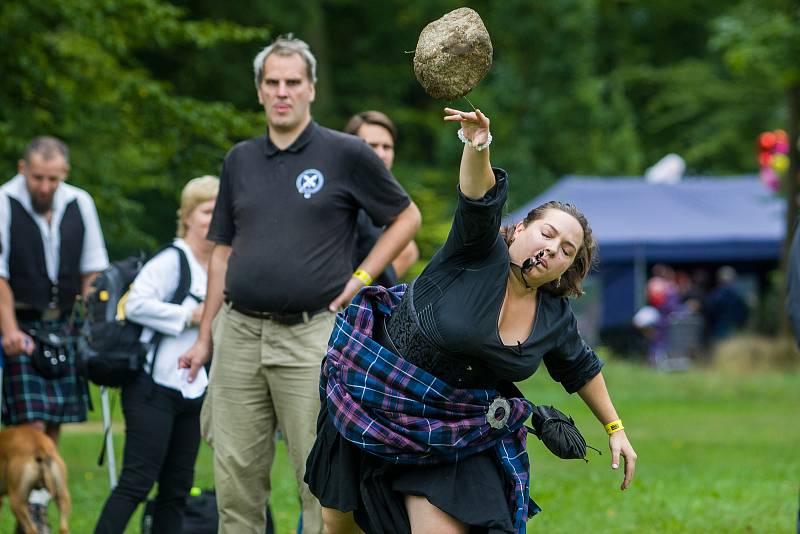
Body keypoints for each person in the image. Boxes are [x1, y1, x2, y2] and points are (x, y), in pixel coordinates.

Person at [305, 108, 637, 533]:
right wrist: (478, 146)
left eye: (567, 250)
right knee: (339, 522)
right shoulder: (477, 249)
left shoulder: (554, 316)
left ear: (568, 269)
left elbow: (580, 367)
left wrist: (614, 427)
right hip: (378, 394)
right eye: (547, 233)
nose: (553, 249)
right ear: (519, 230)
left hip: (457, 426)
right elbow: (479, 199)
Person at [179, 35, 421, 533]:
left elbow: (406, 217)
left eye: (293, 82)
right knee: (235, 481)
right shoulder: (239, 160)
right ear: (260, 90)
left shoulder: (346, 153)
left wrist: (361, 278)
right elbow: (221, 254)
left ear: (311, 89)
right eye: (273, 82)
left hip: (311, 335)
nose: (282, 91)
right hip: (239, 334)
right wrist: (205, 336)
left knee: (318, 482)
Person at [93, 176, 217, 533]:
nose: (213, 219)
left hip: (193, 391)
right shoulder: (171, 259)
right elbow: (134, 304)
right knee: (136, 482)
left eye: (219, 212)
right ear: (188, 216)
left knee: (176, 491)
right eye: (207, 211)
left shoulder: (219, 265)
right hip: (152, 388)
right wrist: (190, 316)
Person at [0, 136, 109, 530]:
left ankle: (37, 505)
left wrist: (95, 318)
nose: (45, 187)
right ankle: (31, 513)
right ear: (22, 169)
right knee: (30, 424)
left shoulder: (80, 202)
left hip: (64, 323)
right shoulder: (4, 202)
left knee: (53, 427)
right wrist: (9, 329)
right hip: (21, 323)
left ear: (64, 174)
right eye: (38, 178)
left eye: (53, 179)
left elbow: (93, 269)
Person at [344, 111, 419, 286]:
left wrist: (366, 285)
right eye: (372, 146)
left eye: (387, 147)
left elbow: (409, 251)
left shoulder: (388, 196)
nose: (381, 154)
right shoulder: (340, 194)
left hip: (365, 307)